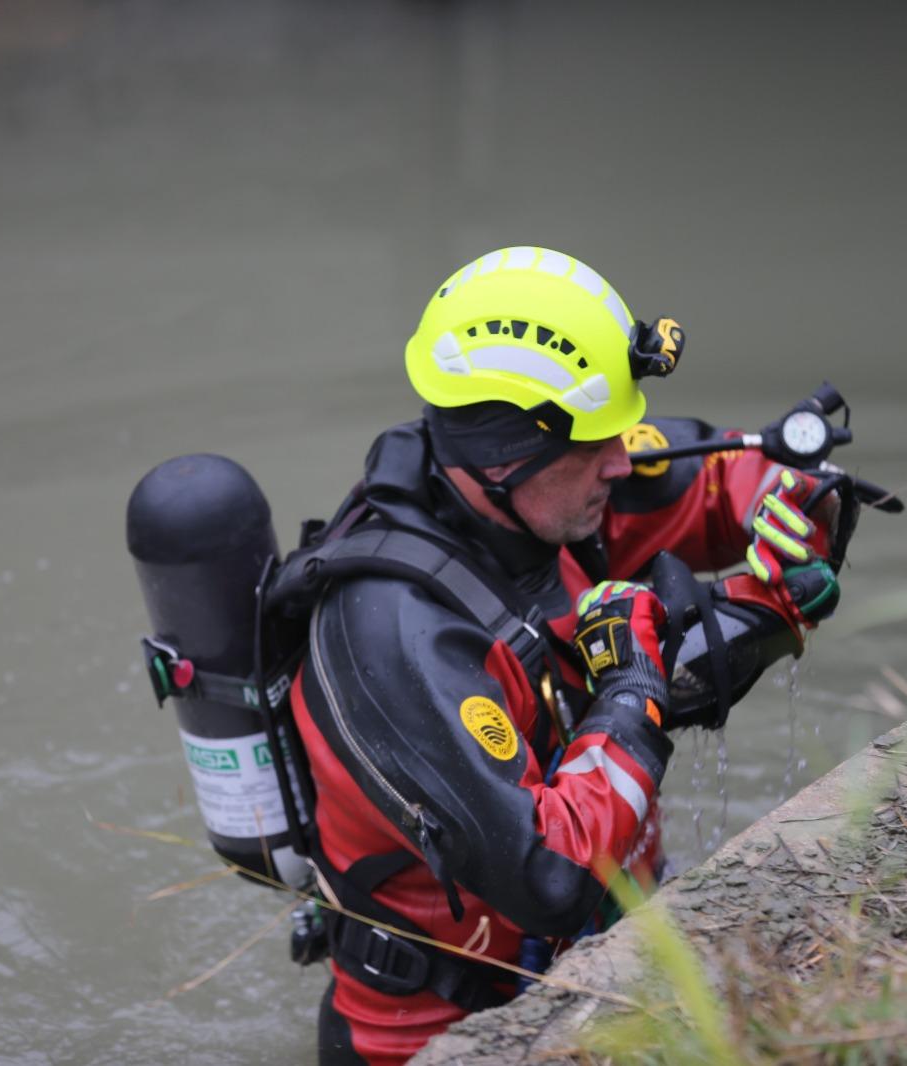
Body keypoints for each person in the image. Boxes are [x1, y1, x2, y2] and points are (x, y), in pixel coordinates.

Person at [289, 246, 852, 1064]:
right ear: (501, 457)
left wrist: (795, 507)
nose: (622, 463)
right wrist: (633, 692)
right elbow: (546, 875)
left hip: (615, 970)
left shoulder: (552, 495)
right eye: (597, 444)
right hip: (445, 1039)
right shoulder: (395, 634)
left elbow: (735, 474)